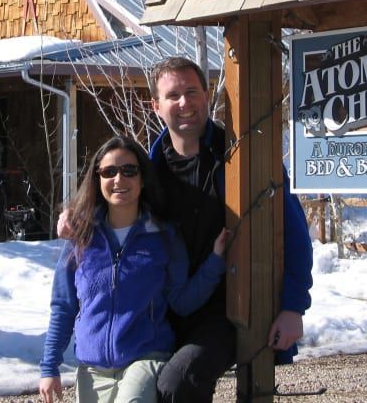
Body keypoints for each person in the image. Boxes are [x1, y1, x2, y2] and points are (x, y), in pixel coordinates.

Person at [148, 56, 313, 403]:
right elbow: (108, 212)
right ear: (156, 106)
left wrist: (293, 307)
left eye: (192, 92)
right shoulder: (148, 171)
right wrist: (76, 219)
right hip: (165, 313)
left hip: (230, 311)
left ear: (208, 96)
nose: (184, 103)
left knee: (177, 385)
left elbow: (294, 234)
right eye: (173, 95)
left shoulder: (243, 157)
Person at [39, 135, 228, 403]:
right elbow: (63, 306)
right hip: (92, 368)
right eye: (109, 171)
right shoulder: (81, 238)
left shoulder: (163, 237)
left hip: (144, 358)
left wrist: (216, 261)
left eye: (129, 170)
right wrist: (49, 367)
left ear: (142, 178)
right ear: (98, 178)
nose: (119, 179)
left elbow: (182, 301)